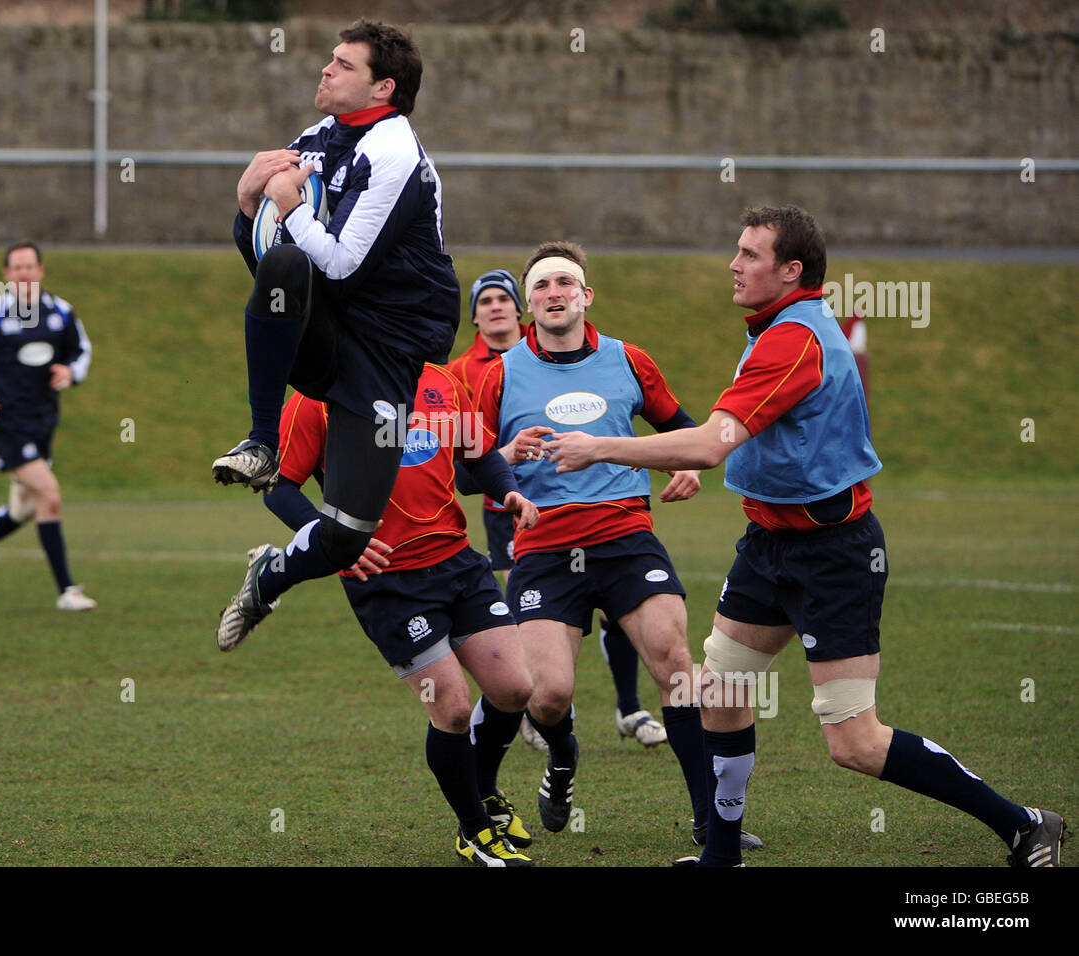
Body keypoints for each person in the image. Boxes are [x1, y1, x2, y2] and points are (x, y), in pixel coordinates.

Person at [548, 205, 1065, 867]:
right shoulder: (773, 328)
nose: (734, 265)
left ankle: (1024, 825)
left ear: (792, 271)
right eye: (737, 250)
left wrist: (598, 448)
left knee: (854, 741)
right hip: (768, 546)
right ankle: (723, 855)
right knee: (722, 692)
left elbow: (709, 446)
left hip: (833, 556)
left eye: (750, 255)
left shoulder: (794, 341)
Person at [474, 241, 761, 852]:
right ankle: (561, 760)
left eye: (565, 283)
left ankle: (711, 821)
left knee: (676, 666)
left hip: (626, 537)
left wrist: (689, 465)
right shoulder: (497, 376)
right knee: (547, 695)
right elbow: (463, 473)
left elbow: (684, 429)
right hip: (544, 550)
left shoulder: (628, 360)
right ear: (530, 305)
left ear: (586, 296)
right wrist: (506, 456)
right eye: (543, 286)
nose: (554, 293)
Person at [213, 19, 459, 652]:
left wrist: (289, 208)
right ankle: (262, 440)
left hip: (386, 350)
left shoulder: (396, 151)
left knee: (350, 535)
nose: (326, 70)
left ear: (383, 87)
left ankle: (271, 573)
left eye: (343, 65)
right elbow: (273, 257)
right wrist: (247, 212)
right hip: (330, 329)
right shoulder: (315, 139)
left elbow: (346, 266)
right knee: (287, 265)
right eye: (331, 59)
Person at [260, 364, 540, 865]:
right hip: (385, 579)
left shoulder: (444, 381)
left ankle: (485, 788)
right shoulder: (321, 392)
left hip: (457, 561)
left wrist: (508, 491)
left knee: (515, 687)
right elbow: (280, 486)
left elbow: (476, 458)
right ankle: (473, 830)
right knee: (452, 708)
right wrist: (332, 540)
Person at [448, 269, 666, 753]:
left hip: (604, 516)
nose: (495, 307)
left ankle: (628, 706)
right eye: (484, 302)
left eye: (503, 298)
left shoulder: (576, 353)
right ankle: (534, 705)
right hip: (513, 512)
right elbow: (463, 464)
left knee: (622, 610)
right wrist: (505, 455)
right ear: (475, 316)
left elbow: (672, 422)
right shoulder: (467, 373)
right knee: (532, 620)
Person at [0, 241, 96, 611]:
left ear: (41, 271)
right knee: (50, 496)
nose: (24, 273)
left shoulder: (60, 313)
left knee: (26, 508)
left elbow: (82, 352)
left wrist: (70, 371)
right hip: (5, 421)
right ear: (6, 275)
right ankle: (67, 591)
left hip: (43, 420)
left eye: (30, 267)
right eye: (16, 268)